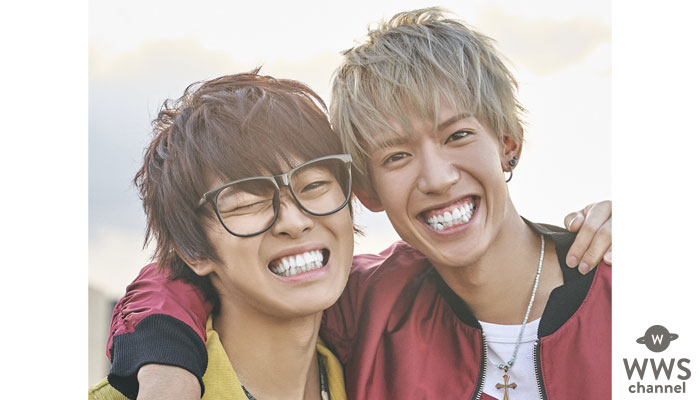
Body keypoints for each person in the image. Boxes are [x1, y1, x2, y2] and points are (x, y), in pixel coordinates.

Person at [99, 8, 612, 400]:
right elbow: (185, 274)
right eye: (396, 156)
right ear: (366, 191)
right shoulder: (370, 304)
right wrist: (166, 361)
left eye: (457, 135)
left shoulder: (621, 278)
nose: (437, 178)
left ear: (508, 143)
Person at [89, 72, 354, 400]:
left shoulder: (377, 372)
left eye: (314, 185)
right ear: (193, 251)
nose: (294, 221)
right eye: (247, 203)